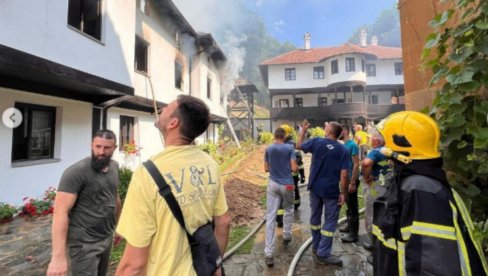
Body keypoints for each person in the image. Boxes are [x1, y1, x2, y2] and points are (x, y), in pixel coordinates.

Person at [115, 95, 231, 275]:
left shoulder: (146, 174)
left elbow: (133, 265)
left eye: (166, 108)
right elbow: (223, 222)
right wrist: (215, 264)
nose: (160, 110)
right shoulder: (210, 164)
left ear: (173, 123)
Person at [372, 111, 488, 275]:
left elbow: (431, 265)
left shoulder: (421, 190)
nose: (383, 148)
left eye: (386, 143)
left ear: (403, 148)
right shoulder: (412, 183)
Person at [47, 129, 121, 276]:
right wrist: (58, 257)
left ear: (115, 148)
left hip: (105, 238)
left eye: (107, 148)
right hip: (83, 244)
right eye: (98, 146)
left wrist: (119, 226)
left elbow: (115, 197)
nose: (101, 151)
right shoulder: (76, 172)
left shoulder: (114, 167)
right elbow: (60, 212)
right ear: (91, 145)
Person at [297, 120, 349, 267]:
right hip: (331, 191)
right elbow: (344, 174)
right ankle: (323, 252)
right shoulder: (343, 150)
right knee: (330, 221)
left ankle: (316, 245)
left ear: (330, 132)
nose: (324, 128)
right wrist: (343, 193)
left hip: (315, 188)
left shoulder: (317, 142)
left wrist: (303, 131)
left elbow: (299, 146)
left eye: (326, 127)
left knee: (315, 217)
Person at [263, 127, 298, 267]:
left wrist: (276, 168)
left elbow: (266, 169)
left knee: (270, 217)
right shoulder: (290, 148)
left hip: (273, 184)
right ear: (284, 136)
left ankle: (269, 253)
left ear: (274, 136)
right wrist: (286, 168)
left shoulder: (268, 149)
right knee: (289, 209)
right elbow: (294, 168)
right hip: (287, 185)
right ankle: (287, 235)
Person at [361, 131, 389, 263]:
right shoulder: (390, 151)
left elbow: (366, 163)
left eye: (372, 139)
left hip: (375, 188)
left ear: (377, 141)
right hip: (387, 187)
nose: (371, 141)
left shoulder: (376, 151)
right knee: (385, 215)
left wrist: (366, 177)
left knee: (371, 216)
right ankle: (383, 246)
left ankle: (375, 249)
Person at [338, 125, 361, 243]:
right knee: (349, 205)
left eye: (340, 131)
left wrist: (352, 182)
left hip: (351, 180)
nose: (338, 133)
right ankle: (349, 227)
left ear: (346, 131)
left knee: (353, 207)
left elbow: (356, 164)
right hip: (345, 180)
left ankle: (354, 234)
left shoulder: (352, 145)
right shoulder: (344, 145)